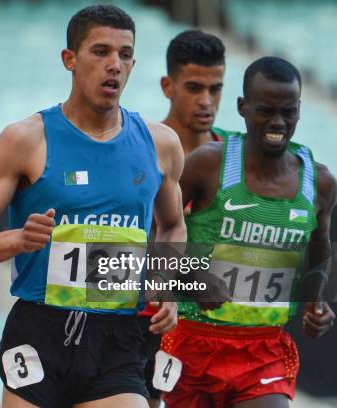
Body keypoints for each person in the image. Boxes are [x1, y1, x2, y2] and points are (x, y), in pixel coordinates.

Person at [0, 5, 184, 407]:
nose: (114, 65)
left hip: (117, 334)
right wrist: (17, 239)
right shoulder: (25, 139)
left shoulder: (160, 144)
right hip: (40, 332)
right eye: (101, 51)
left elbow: (173, 225)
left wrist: (169, 285)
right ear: (70, 60)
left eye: (124, 54)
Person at [161, 56, 336, 408]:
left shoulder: (319, 181)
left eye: (288, 112)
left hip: (264, 349)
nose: (277, 122)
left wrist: (315, 298)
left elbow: (319, 250)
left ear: (300, 110)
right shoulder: (208, 164)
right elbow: (156, 236)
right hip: (194, 342)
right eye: (266, 111)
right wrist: (192, 279)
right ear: (243, 107)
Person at [139, 29, 227, 408]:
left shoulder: (236, 160)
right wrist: (189, 276)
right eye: (193, 87)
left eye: (215, 88)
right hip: (149, 317)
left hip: (218, 328)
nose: (206, 101)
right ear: (167, 85)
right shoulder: (142, 148)